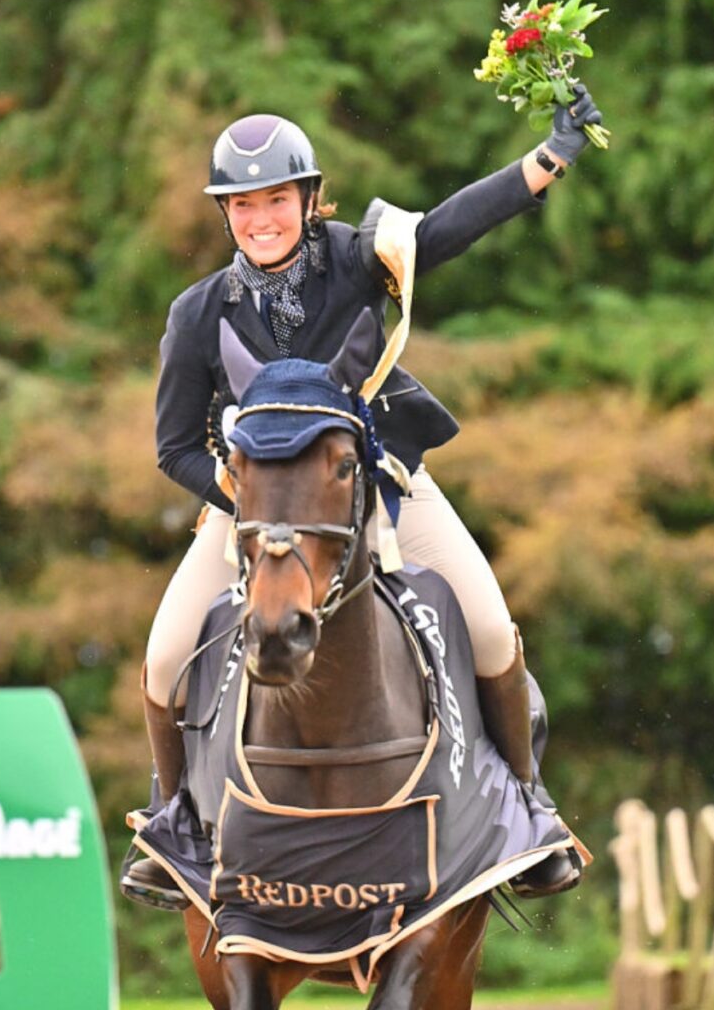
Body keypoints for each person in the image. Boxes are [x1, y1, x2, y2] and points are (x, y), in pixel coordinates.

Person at [126, 94, 602, 909]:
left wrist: (545, 161)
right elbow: (174, 448)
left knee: (489, 628)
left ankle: (529, 811)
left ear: (310, 200)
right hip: (253, 514)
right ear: (225, 215)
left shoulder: (356, 258)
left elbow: (447, 229)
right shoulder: (197, 315)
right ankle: (177, 826)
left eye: (276, 200)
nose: (261, 220)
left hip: (381, 488)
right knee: (165, 659)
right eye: (242, 205)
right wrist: (237, 499)